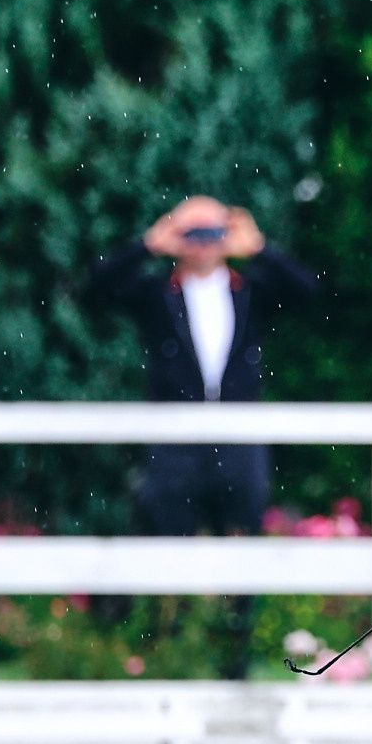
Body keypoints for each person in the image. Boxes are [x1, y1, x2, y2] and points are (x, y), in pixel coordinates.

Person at [85, 196, 317, 677]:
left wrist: (261, 249)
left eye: (214, 232)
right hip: (174, 444)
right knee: (169, 543)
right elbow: (95, 289)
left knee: (243, 542)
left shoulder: (250, 290)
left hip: (239, 440)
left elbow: (310, 293)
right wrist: (147, 246)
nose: (204, 243)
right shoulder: (157, 294)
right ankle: (170, 652)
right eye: (193, 233)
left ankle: (235, 655)